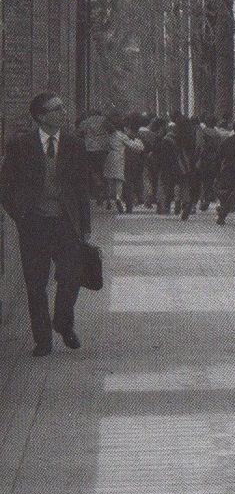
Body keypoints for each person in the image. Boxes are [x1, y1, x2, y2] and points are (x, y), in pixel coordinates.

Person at [0, 92, 94, 356]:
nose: (63, 113)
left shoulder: (75, 144)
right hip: (34, 223)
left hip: (66, 222)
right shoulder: (20, 145)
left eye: (63, 107)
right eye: (56, 109)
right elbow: (5, 184)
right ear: (41, 116)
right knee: (35, 281)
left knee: (72, 275)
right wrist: (20, 214)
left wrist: (85, 225)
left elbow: (81, 188)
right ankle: (42, 340)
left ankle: (63, 321)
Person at [102, 115, 142, 214]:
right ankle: (118, 198)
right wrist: (138, 142)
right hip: (119, 158)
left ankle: (108, 199)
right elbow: (134, 146)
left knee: (110, 181)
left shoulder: (107, 135)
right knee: (119, 181)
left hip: (108, 158)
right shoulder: (120, 135)